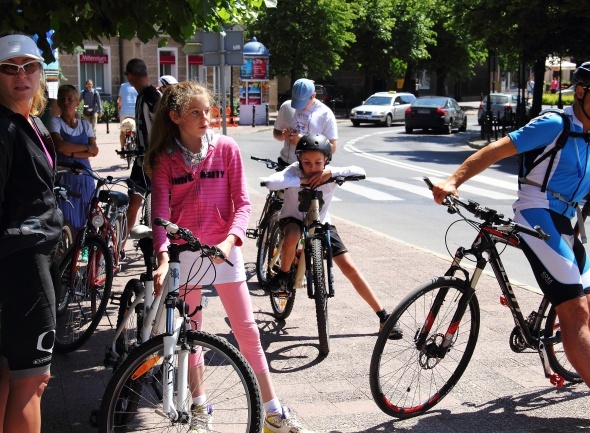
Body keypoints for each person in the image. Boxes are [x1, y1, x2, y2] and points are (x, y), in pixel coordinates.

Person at [432, 60, 590, 432]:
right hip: (536, 211)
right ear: (580, 91)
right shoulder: (552, 124)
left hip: (568, 219)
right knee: (576, 312)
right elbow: (494, 150)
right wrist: (452, 181)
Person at [145, 81, 314, 433]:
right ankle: (200, 407)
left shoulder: (226, 148)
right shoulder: (165, 158)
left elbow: (243, 203)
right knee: (192, 332)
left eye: (208, 110)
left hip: (223, 251)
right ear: (175, 117)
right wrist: (162, 255)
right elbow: (160, 210)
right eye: (195, 112)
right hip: (184, 254)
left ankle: (272, 410)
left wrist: (231, 240)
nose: (206, 117)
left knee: (247, 331)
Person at [265, 133, 403, 340]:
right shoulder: (293, 170)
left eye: (318, 162)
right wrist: (300, 179)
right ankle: (284, 276)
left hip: (321, 222)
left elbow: (360, 171)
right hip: (293, 218)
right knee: (292, 234)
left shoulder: (331, 173)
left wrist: (329, 174)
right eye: (307, 162)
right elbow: (271, 182)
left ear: (327, 160)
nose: (312, 167)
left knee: (349, 267)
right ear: (299, 160)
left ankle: (383, 315)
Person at [0, 33, 63, 433]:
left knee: (9, 372)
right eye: (9, 68)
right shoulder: (5, 128)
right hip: (22, 263)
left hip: (29, 258)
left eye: (29, 66)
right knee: (32, 380)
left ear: (41, 72)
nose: (21, 75)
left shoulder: (31, 122)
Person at [48, 84, 99, 233]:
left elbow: (95, 150)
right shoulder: (55, 122)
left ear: (77, 102)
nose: (66, 102)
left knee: (86, 213)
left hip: (85, 177)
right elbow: (60, 146)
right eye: (62, 99)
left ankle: (84, 248)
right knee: (65, 216)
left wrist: (71, 152)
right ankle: (68, 250)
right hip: (64, 175)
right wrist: (85, 148)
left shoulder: (85, 125)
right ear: (58, 103)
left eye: (70, 99)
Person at [124, 58, 161, 235]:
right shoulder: (141, 96)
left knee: (159, 207)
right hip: (141, 161)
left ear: (129, 76)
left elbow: (166, 126)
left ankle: (162, 246)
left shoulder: (152, 97)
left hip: (156, 161)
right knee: (133, 205)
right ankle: (120, 247)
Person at [273, 78, 337, 167]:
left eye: (303, 103)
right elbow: (276, 134)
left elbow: (332, 148)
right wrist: (284, 136)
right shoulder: (286, 106)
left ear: (314, 95)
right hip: (286, 164)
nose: (300, 107)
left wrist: (303, 141)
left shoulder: (325, 113)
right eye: (296, 102)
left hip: (311, 169)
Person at [117, 81, 137, 154]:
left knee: (122, 131)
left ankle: (122, 150)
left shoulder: (123, 85)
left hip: (124, 112)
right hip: (135, 112)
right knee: (137, 130)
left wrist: (119, 111)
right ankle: (137, 146)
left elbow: (120, 101)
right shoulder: (139, 85)